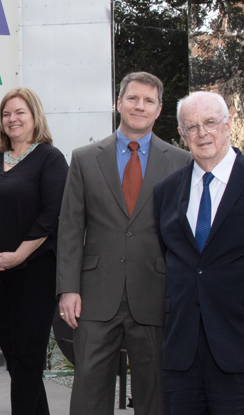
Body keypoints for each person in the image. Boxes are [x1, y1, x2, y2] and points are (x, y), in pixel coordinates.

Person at [152, 91, 244, 414]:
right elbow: (179, 263)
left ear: (228, 125)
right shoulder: (165, 192)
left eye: (210, 122)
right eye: (192, 126)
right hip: (183, 357)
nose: (202, 133)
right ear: (181, 135)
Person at [56, 72, 190, 415]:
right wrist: (68, 289)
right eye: (132, 98)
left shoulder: (180, 162)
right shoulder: (85, 158)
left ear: (159, 110)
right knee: (89, 392)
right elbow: (71, 229)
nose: (139, 106)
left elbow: (185, 234)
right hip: (96, 295)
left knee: (155, 393)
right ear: (119, 103)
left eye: (148, 101)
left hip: (156, 292)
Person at [0, 87, 67, 415]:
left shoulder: (50, 158)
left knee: (27, 361)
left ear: (34, 116)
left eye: (19, 112)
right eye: (6, 113)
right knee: (19, 363)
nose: (12, 119)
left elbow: (51, 216)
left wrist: (18, 255)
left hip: (35, 276)